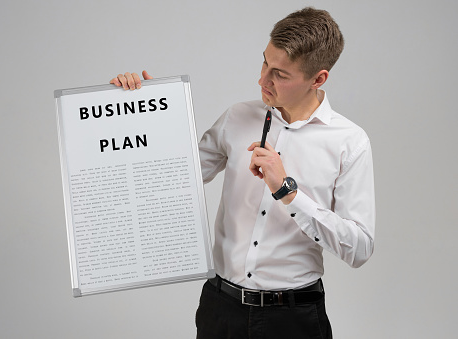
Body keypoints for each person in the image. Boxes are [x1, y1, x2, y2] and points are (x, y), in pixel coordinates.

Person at [111, 7, 375, 339]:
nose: (262, 80)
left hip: (294, 320)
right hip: (219, 311)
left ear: (318, 79)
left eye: (280, 74)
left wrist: (289, 193)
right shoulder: (237, 117)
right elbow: (166, 179)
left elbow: (359, 249)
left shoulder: (349, 143)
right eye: (265, 62)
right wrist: (139, 110)